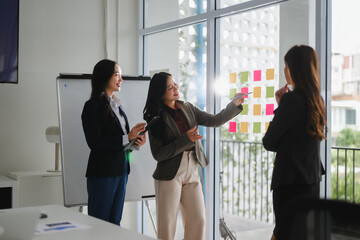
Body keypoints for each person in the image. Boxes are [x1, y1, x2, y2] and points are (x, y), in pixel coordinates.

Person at [143, 72, 245, 240]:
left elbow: (214, 120)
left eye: (175, 83)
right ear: (160, 93)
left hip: (193, 168)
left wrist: (233, 104)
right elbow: (159, 154)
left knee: (198, 221)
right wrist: (185, 140)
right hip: (169, 174)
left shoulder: (187, 107)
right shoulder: (155, 118)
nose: (175, 88)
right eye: (170, 87)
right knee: (167, 225)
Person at [263, 45, 327, 240]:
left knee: (283, 232)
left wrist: (280, 106)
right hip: (311, 180)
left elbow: (269, 141)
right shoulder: (318, 100)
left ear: (294, 68)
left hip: (290, 182)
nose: (284, 70)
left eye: (286, 65)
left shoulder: (291, 100)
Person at [81, 59, 146, 225]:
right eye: (117, 74)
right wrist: (127, 137)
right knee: (99, 223)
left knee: (115, 222)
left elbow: (121, 140)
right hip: (103, 172)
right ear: (105, 76)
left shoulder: (117, 106)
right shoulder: (92, 106)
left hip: (121, 169)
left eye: (121, 75)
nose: (121, 79)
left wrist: (134, 143)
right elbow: (95, 143)